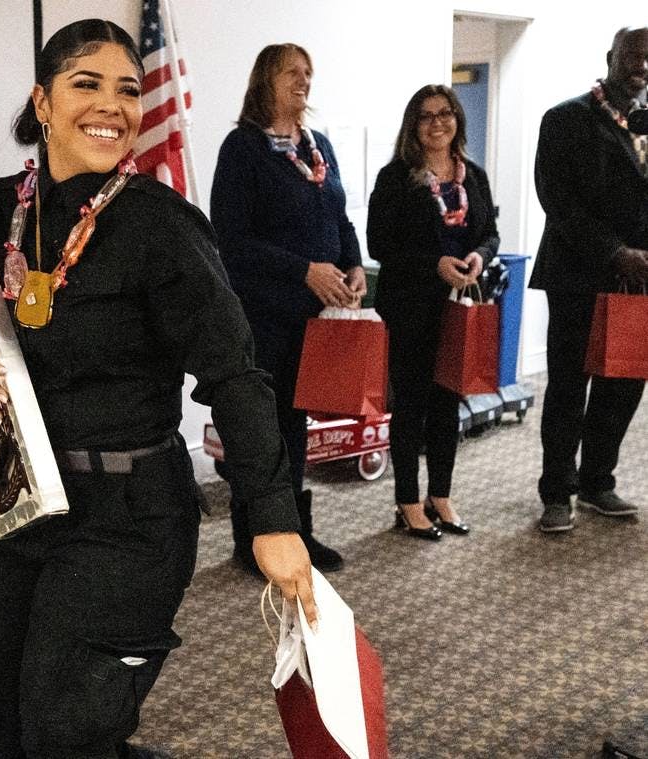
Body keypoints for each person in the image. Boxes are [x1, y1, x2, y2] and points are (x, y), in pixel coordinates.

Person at [0, 19, 315, 759]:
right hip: (18, 498)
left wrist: (273, 515)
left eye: (128, 91)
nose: (111, 106)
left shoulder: (162, 225)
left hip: (128, 515)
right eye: (86, 84)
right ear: (43, 103)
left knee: (67, 724)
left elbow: (235, 376)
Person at [210, 43, 365, 573]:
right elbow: (230, 240)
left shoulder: (318, 146)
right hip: (264, 312)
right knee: (262, 429)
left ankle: (294, 533)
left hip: (315, 318)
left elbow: (340, 218)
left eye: (308, 73)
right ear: (264, 82)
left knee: (295, 425)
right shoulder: (243, 149)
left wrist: (354, 263)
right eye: (291, 74)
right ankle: (251, 537)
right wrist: (304, 269)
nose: (303, 81)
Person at [366, 85, 499, 539]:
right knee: (411, 405)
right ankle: (407, 502)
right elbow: (379, 246)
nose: (437, 122)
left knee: (448, 402)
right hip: (411, 307)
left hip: (458, 307)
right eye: (426, 116)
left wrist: (480, 254)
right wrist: (434, 264)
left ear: (457, 120)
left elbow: (491, 233)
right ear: (413, 125)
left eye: (446, 113)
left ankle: (439, 495)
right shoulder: (395, 178)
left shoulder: (473, 176)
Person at [531, 26, 648, 533]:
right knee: (568, 385)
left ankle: (599, 481)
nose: (642, 67)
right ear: (611, 58)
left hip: (640, 279)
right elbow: (558, 202)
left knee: (624, 381)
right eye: (634, 57)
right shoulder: (566, 119)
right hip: (579, 273)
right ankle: (557, 491)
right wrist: (614, 252)